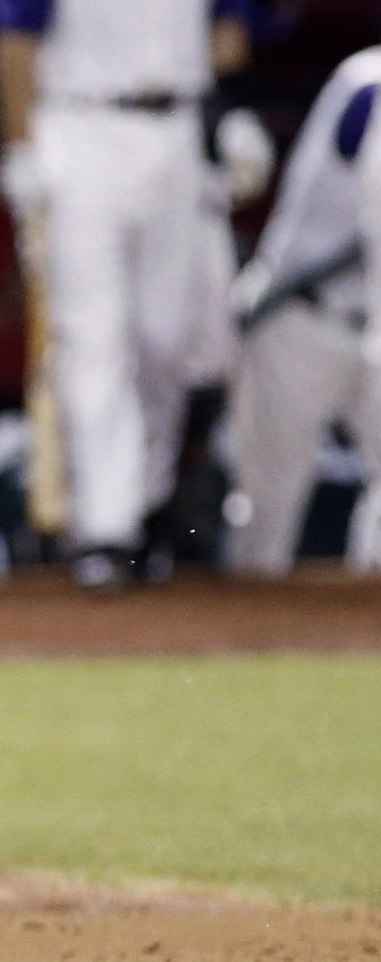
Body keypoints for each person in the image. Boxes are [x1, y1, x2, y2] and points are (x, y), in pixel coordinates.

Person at [0, 0, 253, 589]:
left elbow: (232, 35)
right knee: (92, 337)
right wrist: (21, 150)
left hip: (179, 131)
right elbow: (12, 47)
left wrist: (223, 113)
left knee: (168, 339)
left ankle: (145, 499)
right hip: (81, 130)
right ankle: (106, 529)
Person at [226, 48, 381, 576]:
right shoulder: (368, 82)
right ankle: (243, 647)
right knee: (266, 511)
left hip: (372, 331)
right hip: (301, 319)